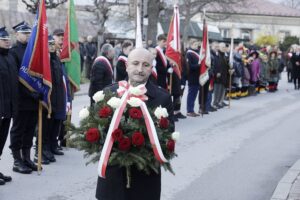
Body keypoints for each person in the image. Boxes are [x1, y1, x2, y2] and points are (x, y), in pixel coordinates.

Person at [95, 47, 174, 200]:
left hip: (145, 176)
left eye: (145, 65)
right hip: (113, 175)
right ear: (127, 66)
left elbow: (167, 137)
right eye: (135, 63)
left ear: (151, 68)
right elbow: (96, 130)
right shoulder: (109, 93)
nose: (140, 69)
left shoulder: (162, 98)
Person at [9, 21, 37, 174]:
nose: (27, 36)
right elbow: (16, 79)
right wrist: (31, 93)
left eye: (28, 33)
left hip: (34, 99)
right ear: (16, 34)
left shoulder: (33, 51)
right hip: (21, 99)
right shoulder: (13, 52)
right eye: (24, 33)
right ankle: (16, 160)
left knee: (30, 129)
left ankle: (26, 157)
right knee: (18, 129)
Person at [0, 26, 16, 185]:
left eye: (8, 39)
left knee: (1, 141)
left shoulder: (10, 57)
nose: (7, 42)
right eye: (4, 40)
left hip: (8, 108)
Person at [186, 39, 200, 117]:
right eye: (195, 44)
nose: (197, 46)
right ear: (191, 45)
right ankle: (189, 110)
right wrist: (199, 65)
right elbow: (189, 67)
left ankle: (192, 109)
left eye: (197, 44)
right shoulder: (189, 54)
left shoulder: (197, 53)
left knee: (194, 94)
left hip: (197, 76)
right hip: (192, 77)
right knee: (191, 94)